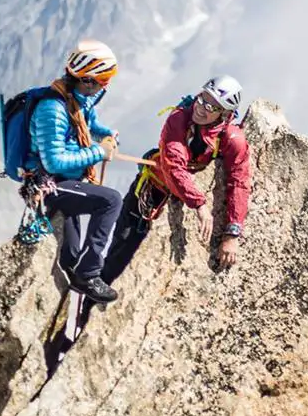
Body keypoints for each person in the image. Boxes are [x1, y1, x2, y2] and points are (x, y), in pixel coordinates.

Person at [102, 74, 250, 285]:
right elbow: (173, 165)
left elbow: (239, 181)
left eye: (211, 106)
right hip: (152, 190)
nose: (201, 107)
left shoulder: (233, 139)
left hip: (162, 191)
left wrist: (232, 232)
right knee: (120, 252)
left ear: (225, 114)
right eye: (202, 98)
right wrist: (199, 204)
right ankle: (92, 303)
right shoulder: (179, 118)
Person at [27, 40, 123, 303]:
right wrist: (99, 152)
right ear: (88, 80)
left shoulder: (75, 96)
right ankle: (90, 273)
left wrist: (105, 133)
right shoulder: (52, 109)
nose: (107, 84)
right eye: (104, 78)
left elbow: (86, 119)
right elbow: (54, 162)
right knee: (110, 200)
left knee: (69, 255)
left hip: (63, 181)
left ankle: (76, 273)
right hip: (50, 183)